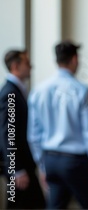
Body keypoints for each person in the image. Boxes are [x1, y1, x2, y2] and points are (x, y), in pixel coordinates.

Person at [27, 41, 88, 209]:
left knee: (55, 206)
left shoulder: (38, 90)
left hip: (51, 159)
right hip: (76, 162)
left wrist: (42, 165)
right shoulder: (81, 90)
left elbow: (33, 135)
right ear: (75, 59)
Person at [0, 50, 45, 209]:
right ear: (15, 66)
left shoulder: (16, 91)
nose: (31, 66)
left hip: (21, 166)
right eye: (27, 63)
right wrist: (16, 170)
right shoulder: (10, 93)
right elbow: (8, 134)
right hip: (18, 168)